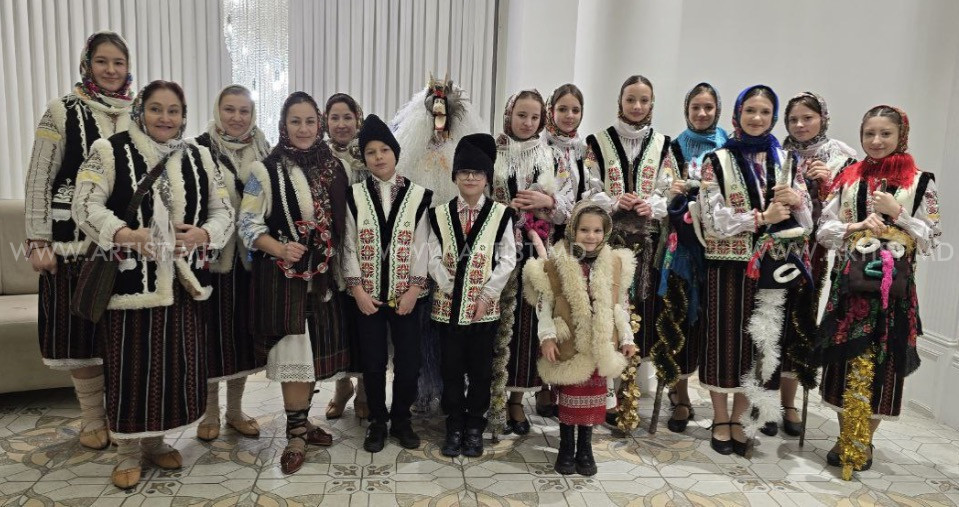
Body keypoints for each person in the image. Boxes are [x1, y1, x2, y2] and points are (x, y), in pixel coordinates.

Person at [73, 80, 234, 488]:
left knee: (169, 368)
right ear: (140, 110)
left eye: (173, 110)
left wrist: (204, 235)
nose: (165, 118)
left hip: (184, 284)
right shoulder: (109, 150)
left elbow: (224, 211)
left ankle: (157, 441)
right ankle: (127, 451)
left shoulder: (200, 155)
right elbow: (84, 205)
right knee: (130, 368)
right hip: (130, 282)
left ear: (183, 115)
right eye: (156, 109)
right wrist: (128, 235)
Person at [24, 30, 134, 452]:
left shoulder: (139, 111)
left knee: (123, 337)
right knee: (79, 335)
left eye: (118, 62)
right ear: (87, 64)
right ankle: (91, 417)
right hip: (71, 243)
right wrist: (38, 240)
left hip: (126, 242)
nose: (110, 70)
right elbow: (39, 177)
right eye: (102, 61)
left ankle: (124, 417)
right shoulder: (62, 111)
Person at [817, 105, 940, 476]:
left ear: (901, 135)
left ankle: (864, 439)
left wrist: (897, 214)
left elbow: (933, 239)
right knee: (843, 361)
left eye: (885, 133)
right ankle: (844, 435)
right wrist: (855, 226)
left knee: (883, 364)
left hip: (893, 293)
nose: (876, 141)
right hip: (849, 286)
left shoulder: (920, 182)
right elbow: (824, 232)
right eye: (869, 133)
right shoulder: (849, 178)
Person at [697, 84, 813, 456]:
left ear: (773, 117)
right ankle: (720, 418)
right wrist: (761, 217)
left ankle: (741, 418)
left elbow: (808, 223)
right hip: (727, 265)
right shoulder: (717, 160)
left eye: (765, 112)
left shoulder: (788, 160)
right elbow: (713, 220)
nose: (757, 118)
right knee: (722, 342)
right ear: (737, 114)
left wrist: (797, 201)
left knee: (758, 345)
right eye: (750, 110)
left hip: (772, 268)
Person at [238, 91, 350, 474]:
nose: (303, 129)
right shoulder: (264, 171)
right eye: (295, 121)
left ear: (319, 124)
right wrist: (280, 248)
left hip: (324, 280)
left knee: (314, 354)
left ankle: (304, 421)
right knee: (295, 356)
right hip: (283, 281)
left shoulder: (334, 167)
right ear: (283, 125)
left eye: (309, 121)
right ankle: (296, 434)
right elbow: (247, 224)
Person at [584, 75, 678, 423]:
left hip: (647, 247)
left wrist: (651, 205)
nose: (637, 107)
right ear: (620, 102)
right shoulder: (597, 142)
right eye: (630, 100)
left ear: (652, 104)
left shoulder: (664, 144)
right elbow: (589, 188)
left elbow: (670, 191)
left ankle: (630, 390)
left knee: (642, 314)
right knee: (608, 311)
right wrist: (612, 201)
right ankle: (605, 392)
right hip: (608, 244)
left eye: (644, 100)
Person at [525, 201, 637, 476]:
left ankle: (585, 447)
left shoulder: (613, 263)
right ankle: (566, 446)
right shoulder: (557, 264)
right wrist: (548, 337)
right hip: (569, 343)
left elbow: (620, 304)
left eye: (597, 230)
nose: (591, 236)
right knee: (569, 396)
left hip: (599, 341)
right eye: (585, 230)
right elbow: (545, 304)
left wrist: (626, 337)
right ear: (573, 230)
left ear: (605, 232)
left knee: (593, 399)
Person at [342, 114, 432, 452]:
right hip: (367, 297)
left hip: (407, 297)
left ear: (395, 153)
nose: (378, 157)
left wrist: (414, 290)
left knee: (409, 363)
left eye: (384, 150)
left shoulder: (419, 195)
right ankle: (377, 422)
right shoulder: (354, 196)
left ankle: (402, 420)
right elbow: (348, 245)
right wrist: (357, 291)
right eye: (370, 152)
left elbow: (423, 245)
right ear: (364, 158)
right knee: (373, 362)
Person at [191, 84, 271, 441]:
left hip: (251, 261)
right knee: (210, 338)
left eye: (244, 111)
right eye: (229, 109)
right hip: (211, 260)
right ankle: (209, 413)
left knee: (242, 338)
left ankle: (235, 411)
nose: (237, 117)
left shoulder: (264, 149)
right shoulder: (198, 149)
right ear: (217, 110)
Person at [429, 133, 516, 457]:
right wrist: (452, 288)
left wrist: (485, 295)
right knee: (450, 369)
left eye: (477, 172)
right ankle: (454, 424)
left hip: (484, 310)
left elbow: (508, 259)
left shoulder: (500, 215)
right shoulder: (438, 214)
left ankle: (475, 425)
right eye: (464, 171)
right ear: (454, 176)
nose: (470, 178)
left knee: (480, 370)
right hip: (447, 308)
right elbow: (431, 256)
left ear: (487, 178)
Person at [778, 91, 858, 436]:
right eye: (793, 119)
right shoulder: (777, 151)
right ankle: (761, 398)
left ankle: (788, 402)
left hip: (814, 252)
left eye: (807, 117)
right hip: (774, 249)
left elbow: (851, 206)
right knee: (769, 319)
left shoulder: (841, 155)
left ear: (823, 118)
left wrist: (829, 183)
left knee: (800, 320)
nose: (800, 125)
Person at [493, 89, 566, 434]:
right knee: (494, 323)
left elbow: (569, 206)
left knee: (527, 324)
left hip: (535, 251)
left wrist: (547, 201)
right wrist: (501, 210)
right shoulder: (493, 150)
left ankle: (516, 400)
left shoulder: (551, 155)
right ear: (509, 114)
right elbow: (474, 192)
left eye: (534, 117)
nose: (527, 122)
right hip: (495, 249)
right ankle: (490, 396)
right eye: (521, 115)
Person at [656, 82, 728, 433]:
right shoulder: (673, 147)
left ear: (718, 110)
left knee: (711, 324)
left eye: (708, 107)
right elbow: (663, 190)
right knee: (680, 319)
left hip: (719, 250)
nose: (701, 113)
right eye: (695, 107)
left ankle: (719, 404)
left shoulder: (728, 148)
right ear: (686, 110)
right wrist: (674, 192)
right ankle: (680, 395)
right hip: (682, 248)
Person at [538, 83, 589, 417]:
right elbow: (545, 201)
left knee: (568, 311)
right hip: (544, 237)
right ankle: (542, 386)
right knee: (544, 306)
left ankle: (564, 383)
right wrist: (555, 206)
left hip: (577, 240)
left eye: (575, 110)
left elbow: (589, 193)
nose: (569, 116)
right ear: (550, 111)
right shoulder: (540, 146)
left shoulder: (584, 149)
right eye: (562, 109)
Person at [323, 92, 370, 420]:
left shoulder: (370, 153)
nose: (341, 124)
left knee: (364, 323)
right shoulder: (318, 157)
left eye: (347, 117)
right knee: (336, 324)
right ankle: (342, 388)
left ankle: (364, 390)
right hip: (331, 254)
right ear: (325, 122)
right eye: (334, 118)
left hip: (367, 252)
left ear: (358, 120)